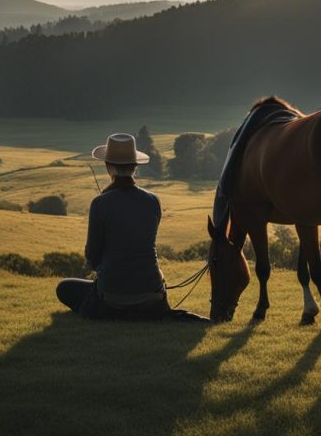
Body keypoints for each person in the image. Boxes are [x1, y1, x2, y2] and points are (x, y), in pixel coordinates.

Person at [56, 133, 209, 322]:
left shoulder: (100, 203)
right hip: (151, 295)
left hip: (112, 296)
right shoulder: (153, 201)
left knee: (64, 288)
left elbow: (92, 255)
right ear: (135, 167)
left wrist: (103, 269)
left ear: (107, 166)